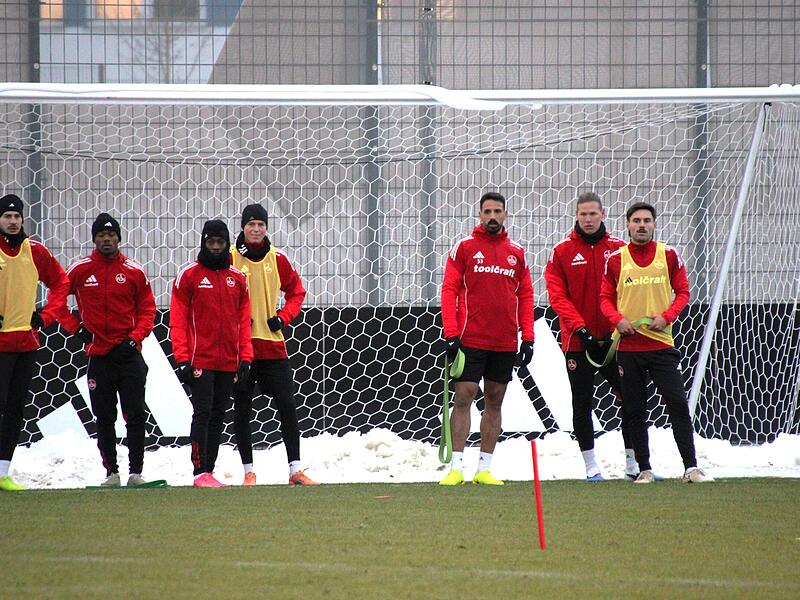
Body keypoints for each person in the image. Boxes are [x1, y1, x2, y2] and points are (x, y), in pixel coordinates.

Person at [600, 201, 712, 483]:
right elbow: (604, 299)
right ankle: (644, 469)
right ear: (627, 225)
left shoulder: (669, 255)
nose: (641, 225)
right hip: (629, 348)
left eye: (646, 220)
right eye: (636, 220)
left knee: (677, 403)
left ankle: (691, 468)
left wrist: (667, 316)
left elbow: (683, 291)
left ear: (654, 224)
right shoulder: (616, 259)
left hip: (661, 346)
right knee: (635, 410)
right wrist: (618, 320)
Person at [439, 191, 534, 486]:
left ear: (505, 214)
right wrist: (451, 333)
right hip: (471, 338)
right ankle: (456, 468)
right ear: (479, 214)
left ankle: (484, 468)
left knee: (495, 400)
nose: (492, 217)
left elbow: (525, 295)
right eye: (487, 212)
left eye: (497, 211)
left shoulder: (517, 252)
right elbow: (449, 290)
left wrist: (528, 337)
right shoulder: (465, 247)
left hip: (505, 341)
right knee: (463, 397)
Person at [545, 191, 639, 481]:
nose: (588, 219)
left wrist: (616, 327)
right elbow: (557, 296)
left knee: (630, 399)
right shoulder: (562, 251)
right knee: (582, 402)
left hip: (615, 341)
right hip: (578, 342)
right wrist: (580, 328)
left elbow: (630, 292)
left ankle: (633, 463)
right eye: (583, 214)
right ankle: (590, 465)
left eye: (593, 214)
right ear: (576, 216)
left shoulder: (620, 249)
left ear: (602, 214)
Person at [60, 213, 157, 487]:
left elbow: (148, 310)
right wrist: (77, 329)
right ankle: (111, 473)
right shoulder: (81, 269)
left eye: (111, 235)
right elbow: (57, 299)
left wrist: (134, 339)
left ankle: (136, 473)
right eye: (101, 235)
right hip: (99, 357)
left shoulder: (133, 271)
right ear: (94, 239)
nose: (106, 239)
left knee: (135, 414)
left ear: (118, 238)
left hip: (128, 356)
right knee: (104, 417)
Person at [231, 204, 317, 486]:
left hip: (272, 346)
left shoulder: (277, 258)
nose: (256, 229)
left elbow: (297, 292)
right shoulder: (229, 258)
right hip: (241, 348)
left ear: (266, 228)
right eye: (251, 224)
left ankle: (295, 470)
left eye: (260, 224)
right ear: (243, 227)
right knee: (242, 409)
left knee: (288, 407)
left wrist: (283, 317)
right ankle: (248, 472)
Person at [170, 219, 253, 488]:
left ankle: (209, 471)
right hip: (200, 360)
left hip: (228, 361)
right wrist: (182, 358)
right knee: (202, 413)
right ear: (204, 243)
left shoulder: (238, 279)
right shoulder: (189, 276)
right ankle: (198, 472)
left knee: (218, 415)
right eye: (211, 242)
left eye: (220, 242)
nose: (215, 247)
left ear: (227, 244)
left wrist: (245, 357)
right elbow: (178, 321)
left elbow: (243, 322)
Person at [0, 193, 69, 492]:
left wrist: (46, 316)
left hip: (26, 345)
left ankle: (3, 471)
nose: (13, 221)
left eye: (17, 216)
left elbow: (61, 282)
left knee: (15, 409)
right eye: (7, 216)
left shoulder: (35, 251)